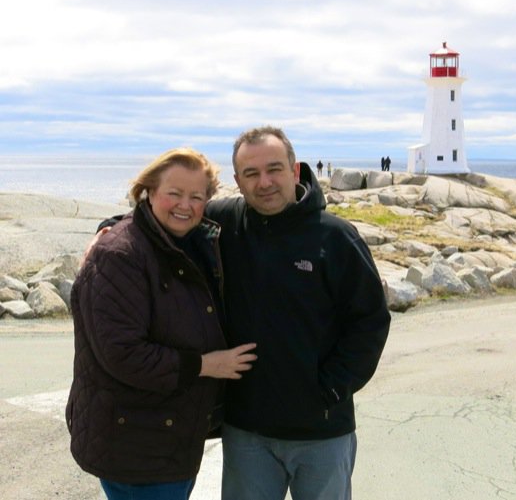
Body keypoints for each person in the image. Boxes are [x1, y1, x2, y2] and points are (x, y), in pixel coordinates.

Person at [205, 126, 391, 500]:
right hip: (247, 431)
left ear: (295, 170)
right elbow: (165, 216)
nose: (265, 182)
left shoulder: (335, 237)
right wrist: (109, 229)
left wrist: (331, 389)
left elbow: (370, 321)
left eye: (274, 169)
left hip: (323, 431)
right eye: (251, 174)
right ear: (238, 181)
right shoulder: (222, 222)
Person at [66, 148, 258, 500]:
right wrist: (207, 365)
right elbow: (123, 353)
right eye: (174, 193)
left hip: (168, 436)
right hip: (137, 443)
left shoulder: (189, 241)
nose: (185, 205)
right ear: (150, 192)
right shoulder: (119, 255)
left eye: (196, 197)